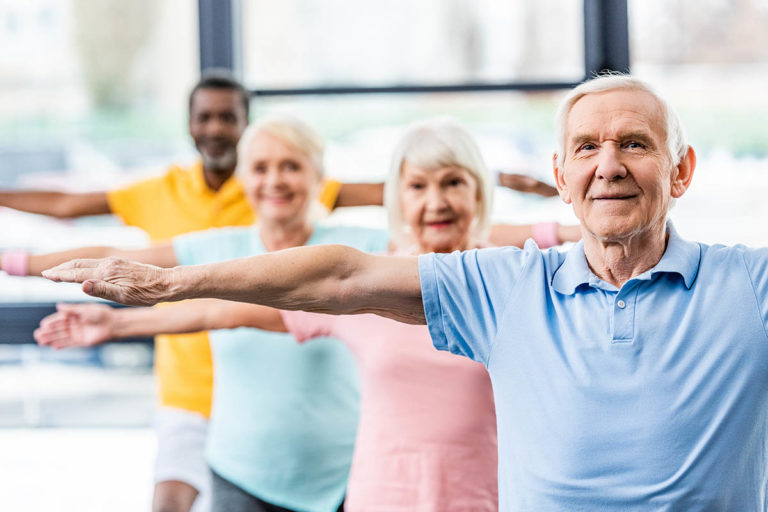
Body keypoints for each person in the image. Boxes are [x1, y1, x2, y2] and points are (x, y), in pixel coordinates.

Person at [41, 74, 768, 511]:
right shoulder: (506, 287)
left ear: (681, 171)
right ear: (563, 173)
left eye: (635, 144)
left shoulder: (748, 287)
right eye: (587, 147)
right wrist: (167, 284)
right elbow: (337, 274)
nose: (608, 164)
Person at [0, 71, 387, 512]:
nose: (275, 179)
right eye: (261, 169)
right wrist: (16, 263)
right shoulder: (191, 216)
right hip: (208, 411)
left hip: (330, 455)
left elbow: (400, 195)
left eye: (228, 117)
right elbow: (92, 228)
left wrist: (467, 183)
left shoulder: (335, 233)